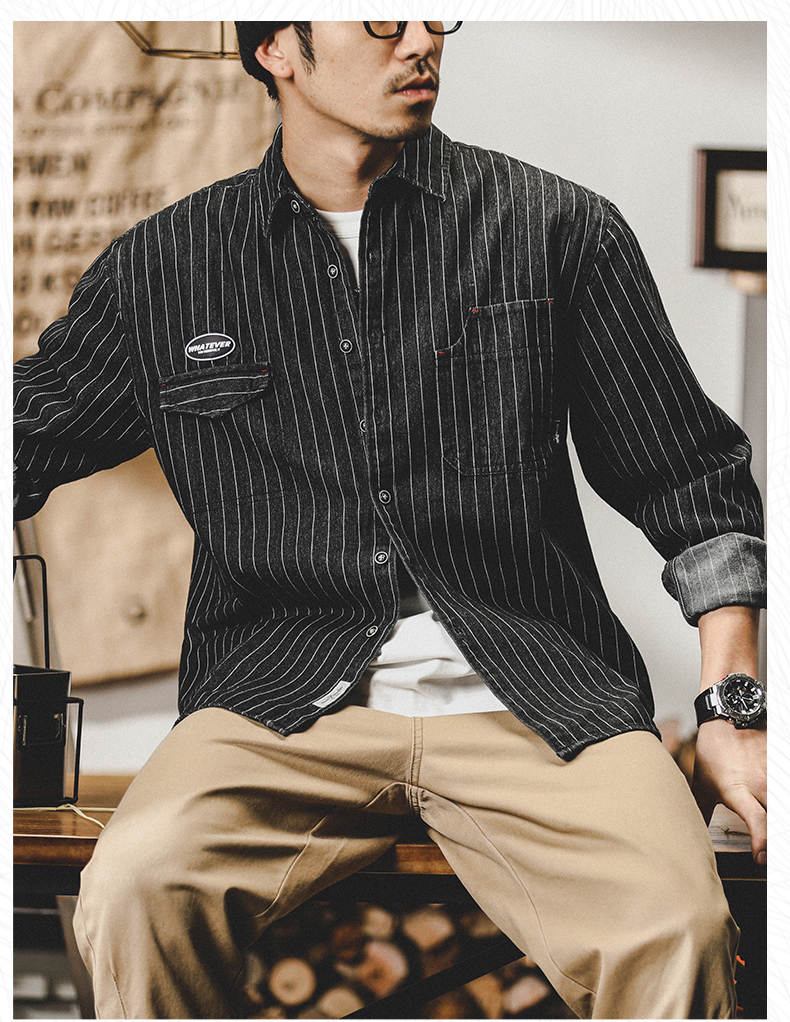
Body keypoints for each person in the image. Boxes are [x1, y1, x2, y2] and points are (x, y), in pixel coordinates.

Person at [13, 21, 767, 1020]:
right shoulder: (167, 266)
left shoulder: (556, 227)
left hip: (538, 690)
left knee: (679, 927)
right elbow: (26, 436)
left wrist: (733, 710)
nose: (419, 40)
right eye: (378, 16)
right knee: (135, 890)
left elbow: (689, 477)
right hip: (274, 697)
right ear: (277, 49)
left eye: (431, 14)